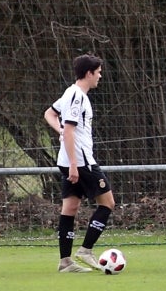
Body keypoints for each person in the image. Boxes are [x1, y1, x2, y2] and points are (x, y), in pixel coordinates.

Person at [43, 54, 116, 273]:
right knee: (107, 203)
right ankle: (86, 250)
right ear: (89, 73)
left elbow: (49, 114)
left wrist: (61, 131)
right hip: (81, 161)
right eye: (99, 72)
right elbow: (70, 130)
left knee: (70, 207)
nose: (100, 76)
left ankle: (65, 262)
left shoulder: (69, 92)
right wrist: (75, 165)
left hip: (67, 160)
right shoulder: (77, 96)